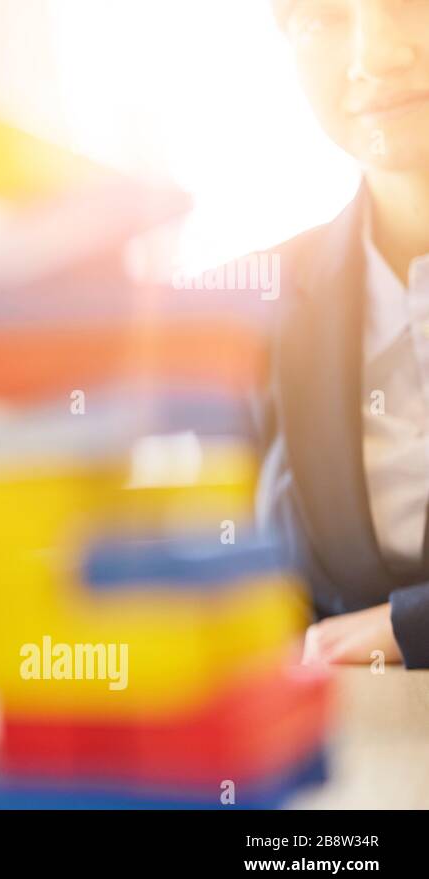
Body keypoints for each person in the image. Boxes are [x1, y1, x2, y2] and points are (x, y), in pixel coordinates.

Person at [258, 0, 429, 668]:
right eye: (324, 13)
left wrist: (412, 628)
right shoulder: (249, 308)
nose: (373, 54)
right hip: (348, 763)